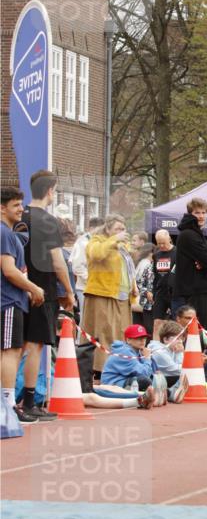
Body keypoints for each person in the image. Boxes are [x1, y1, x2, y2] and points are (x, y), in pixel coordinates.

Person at [21, 170, 75, 420]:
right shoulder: (48, 221)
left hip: (18, 286)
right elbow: (58, 261)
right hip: (42, 289)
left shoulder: (19, 215)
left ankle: (11, 398)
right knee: (35, 346)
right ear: (50, 190)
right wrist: (69, 291)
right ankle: (29, 402)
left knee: (13, 347)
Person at [1, 187, 46, 424]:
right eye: (16, 205)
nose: (21, 209)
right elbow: (9, 271)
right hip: (7, 301)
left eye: (21, 204)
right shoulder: (4, 234)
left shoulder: (9, 234)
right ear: (1, 208)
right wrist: (33, 288)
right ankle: (7, 405)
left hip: (12, 299)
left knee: (10, 351)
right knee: (10, 351)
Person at [82, 215, 138, 373]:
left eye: (123, 229)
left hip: (122, 296)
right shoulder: (97, 241)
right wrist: (113, 240)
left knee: (121, 335)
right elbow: (96, 254)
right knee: (105, 334)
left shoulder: (122, 246)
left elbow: (127, 267)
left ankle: (119, 368)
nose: (121, 232)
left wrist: (133, 286)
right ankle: (100, 369)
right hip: (103, 295)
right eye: (117, 229)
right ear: (107, 229)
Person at [172, 197, 207, 328]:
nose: (201, 216)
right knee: (197, 331)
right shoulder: (189, 234)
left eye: (204, 212)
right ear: (190, 213)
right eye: (197, 213)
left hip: (198, 288)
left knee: (199, 331)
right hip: (196, 290)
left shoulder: (195, 233)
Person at [147, 320, 189, 402]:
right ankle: (171, 393)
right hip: (154, 379)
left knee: (186, 377)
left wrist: (180, 352)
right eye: (177, 338)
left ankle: (173, 392)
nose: (180, 341)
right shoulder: (159, 352)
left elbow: (182, 365)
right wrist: (180, 353)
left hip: (166, 378)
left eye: (181, 338)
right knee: (185, 376)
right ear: (165, 339)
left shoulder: (172, 349)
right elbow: (177, 370)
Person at [70, 216, 104, 316]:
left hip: (98, 288)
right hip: (85, 287)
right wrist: (92, 280)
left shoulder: (99, 241)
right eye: (100, 230)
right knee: (87, 318)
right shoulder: (82, 242)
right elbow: (77, 267)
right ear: (91, 228)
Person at [151, 229, 176, 334]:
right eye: (159, 243)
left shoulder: (177, 252)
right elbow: (155, 275)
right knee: (157, 321)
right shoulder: (156, 255)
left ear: (169, 239)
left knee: (176, 322)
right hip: (161, 292)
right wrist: (153, 292)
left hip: (175, 292)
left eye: (163, 243)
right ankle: (156, 346)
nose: (161, 246)